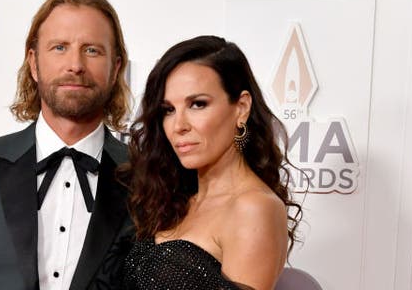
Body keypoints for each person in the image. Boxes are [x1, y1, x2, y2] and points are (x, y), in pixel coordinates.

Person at [0, 0, 133, 290]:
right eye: (59, 47)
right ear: (34, 63)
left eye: (92, 50)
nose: (75, 64)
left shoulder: (148, 175)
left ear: (116, 68)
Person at [122, 36, 302, 290]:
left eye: (197, 104)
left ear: (241, 107)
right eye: (168, 110)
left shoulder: (253, 208)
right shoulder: (175, 198)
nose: (179, 126)